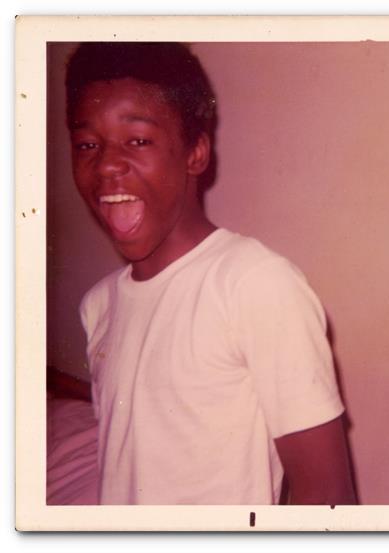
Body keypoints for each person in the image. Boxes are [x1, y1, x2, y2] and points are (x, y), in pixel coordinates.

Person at [67, 42, 356, 505]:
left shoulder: (254, 283)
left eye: (137, 140)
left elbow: (327, 495)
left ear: (196, 153)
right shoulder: (98, 304)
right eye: (87, 145)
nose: (106, 165)